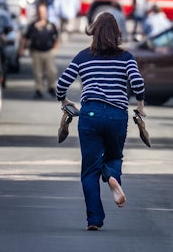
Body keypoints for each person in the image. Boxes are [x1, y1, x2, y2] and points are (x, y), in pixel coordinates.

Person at [56, 12, 146, 231]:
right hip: (117, 115)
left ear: (93, 32)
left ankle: (94, 219)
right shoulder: (126, 57)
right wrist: (140, 105)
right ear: (116, 34)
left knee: (89, 170)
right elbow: (137, 82)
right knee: (114, 156)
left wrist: (64, 100)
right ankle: (112, 176)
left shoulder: (82, 57)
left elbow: (61, 84)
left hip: (91, 115)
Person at [20, 1, 60, 99]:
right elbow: (25, 37)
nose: (42, 13)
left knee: (51, 71)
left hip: (48, 51)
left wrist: (55, 48)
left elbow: (57, 37)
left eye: (43, 11)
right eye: (40, 11)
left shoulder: (51, 25)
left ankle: (51, 87)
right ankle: (39, 89)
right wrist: (22, 48)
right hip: (36, 51)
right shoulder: (32, 25)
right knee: (37, 72)